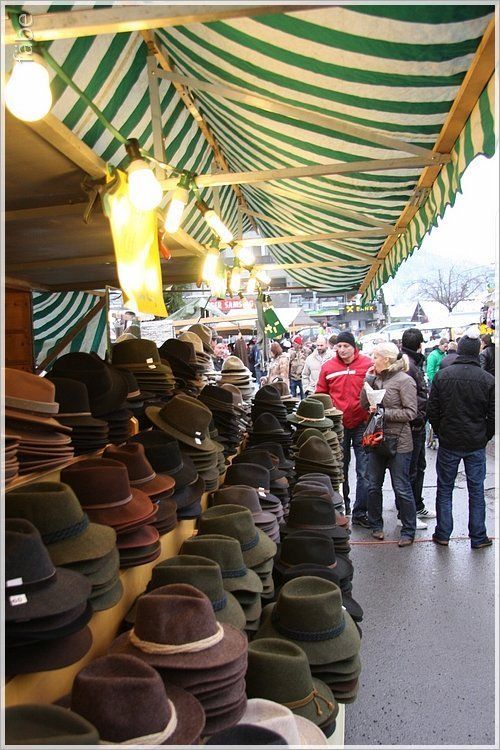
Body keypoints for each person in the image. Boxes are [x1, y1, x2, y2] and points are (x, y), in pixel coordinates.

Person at [428, 327, 495, 549]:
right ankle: (478, 536)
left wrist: (440, 431)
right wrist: (485, 436)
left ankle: (443, 533)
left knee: (444, 488)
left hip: (449, 440)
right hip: (475, 441)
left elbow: (433, 410)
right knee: (476, 491)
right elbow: (493, 415)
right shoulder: (488, 380)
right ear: (477, 352)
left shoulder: (442, 376)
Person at [360, 342, 418, 547]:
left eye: (375, 357)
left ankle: (409, 530)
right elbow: (364, 404)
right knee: (373, 485)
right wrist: (367, 381)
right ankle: (376, 525)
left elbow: (411, 412)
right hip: (377, 439)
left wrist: (384, 413)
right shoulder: (375, 378)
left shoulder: (405, 380)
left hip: (399, 441)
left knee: (401, 487)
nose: (372, 360)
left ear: (386, 359)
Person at [316, 331, 372, 521]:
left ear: (353, 347)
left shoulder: (367, 364)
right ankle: (343, 506)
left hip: (362, 423)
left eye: (346, 346)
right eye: (339, 346)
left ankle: (360, 512)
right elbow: (320, 394)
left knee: (364, 470)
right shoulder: (328, 367)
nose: (342, 350)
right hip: (337, 425)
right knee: (340, 468)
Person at [401, 328, 434, 526]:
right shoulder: (409, 365)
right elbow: (414, 398)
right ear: (420, 345)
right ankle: (407, 513)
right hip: (413, 425)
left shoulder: (411, 362)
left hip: (416, 424)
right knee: (411, 470)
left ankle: (417, 506)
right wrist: (419, 419)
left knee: (417, 467)